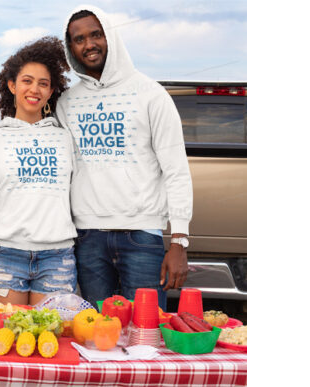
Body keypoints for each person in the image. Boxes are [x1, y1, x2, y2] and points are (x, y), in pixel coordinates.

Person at [55, 5, 194, 311]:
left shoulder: (150, 94)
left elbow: (176, 171)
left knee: (146, 331)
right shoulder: (67, 101)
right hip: (88, 238)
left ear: (110, 37)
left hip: (141, 236)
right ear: (71, 47)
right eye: (79, 39)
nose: (89, 44)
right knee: (93, 334)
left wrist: (179, 242)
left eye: (96, 34)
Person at [0, 37, 77, 306]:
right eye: (27, 81)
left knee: (49, 340)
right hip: (3, 255)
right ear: (12, 85)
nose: (35, 89)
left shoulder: (66, 140)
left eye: (43, 83)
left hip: (57, 257)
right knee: (7, 340)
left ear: (52, 90)